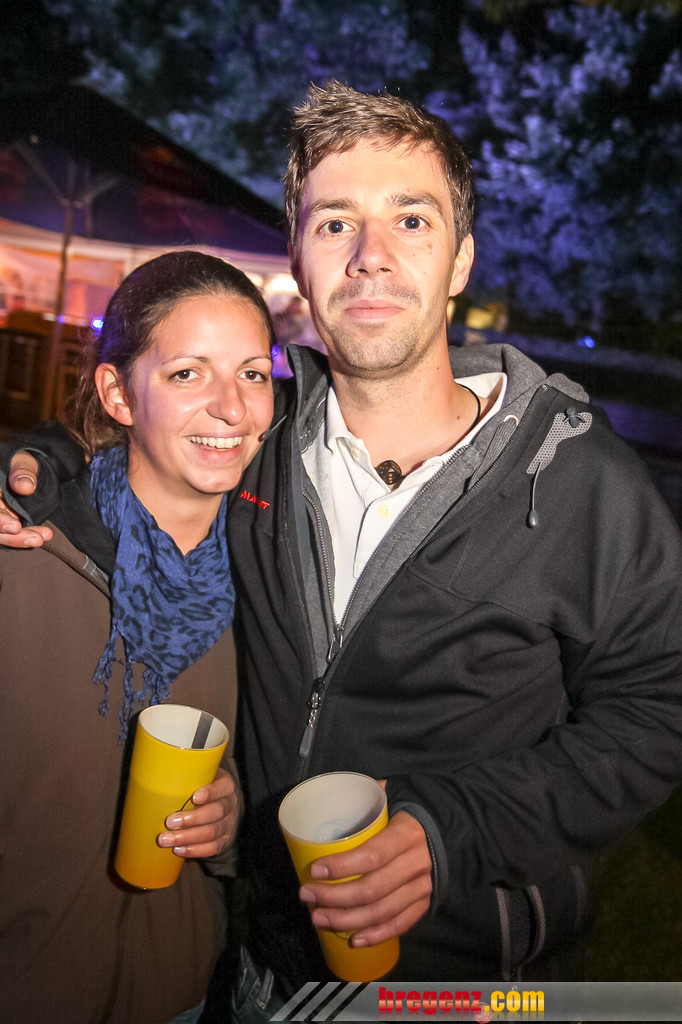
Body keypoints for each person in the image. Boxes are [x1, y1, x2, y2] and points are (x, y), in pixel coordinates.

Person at [1, 83, 682, 1018]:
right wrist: (37, 466)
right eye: (335, 224)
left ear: (461, 259)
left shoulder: (579, 482)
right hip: (259, 974)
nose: (371, 256)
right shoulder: (257, 445)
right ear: (298, 260)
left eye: (412, 219)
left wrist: (451, 832)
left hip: (464, 992)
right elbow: (146, 440)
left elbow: (658, 709)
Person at [0, 250, 274, 1023]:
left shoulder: (270, 584)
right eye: (188, 373)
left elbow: (271, 773)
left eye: (253, 374)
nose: (231, 408)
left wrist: (230, 822)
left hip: (177, 996)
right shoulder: (22, 551)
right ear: (118, 393)